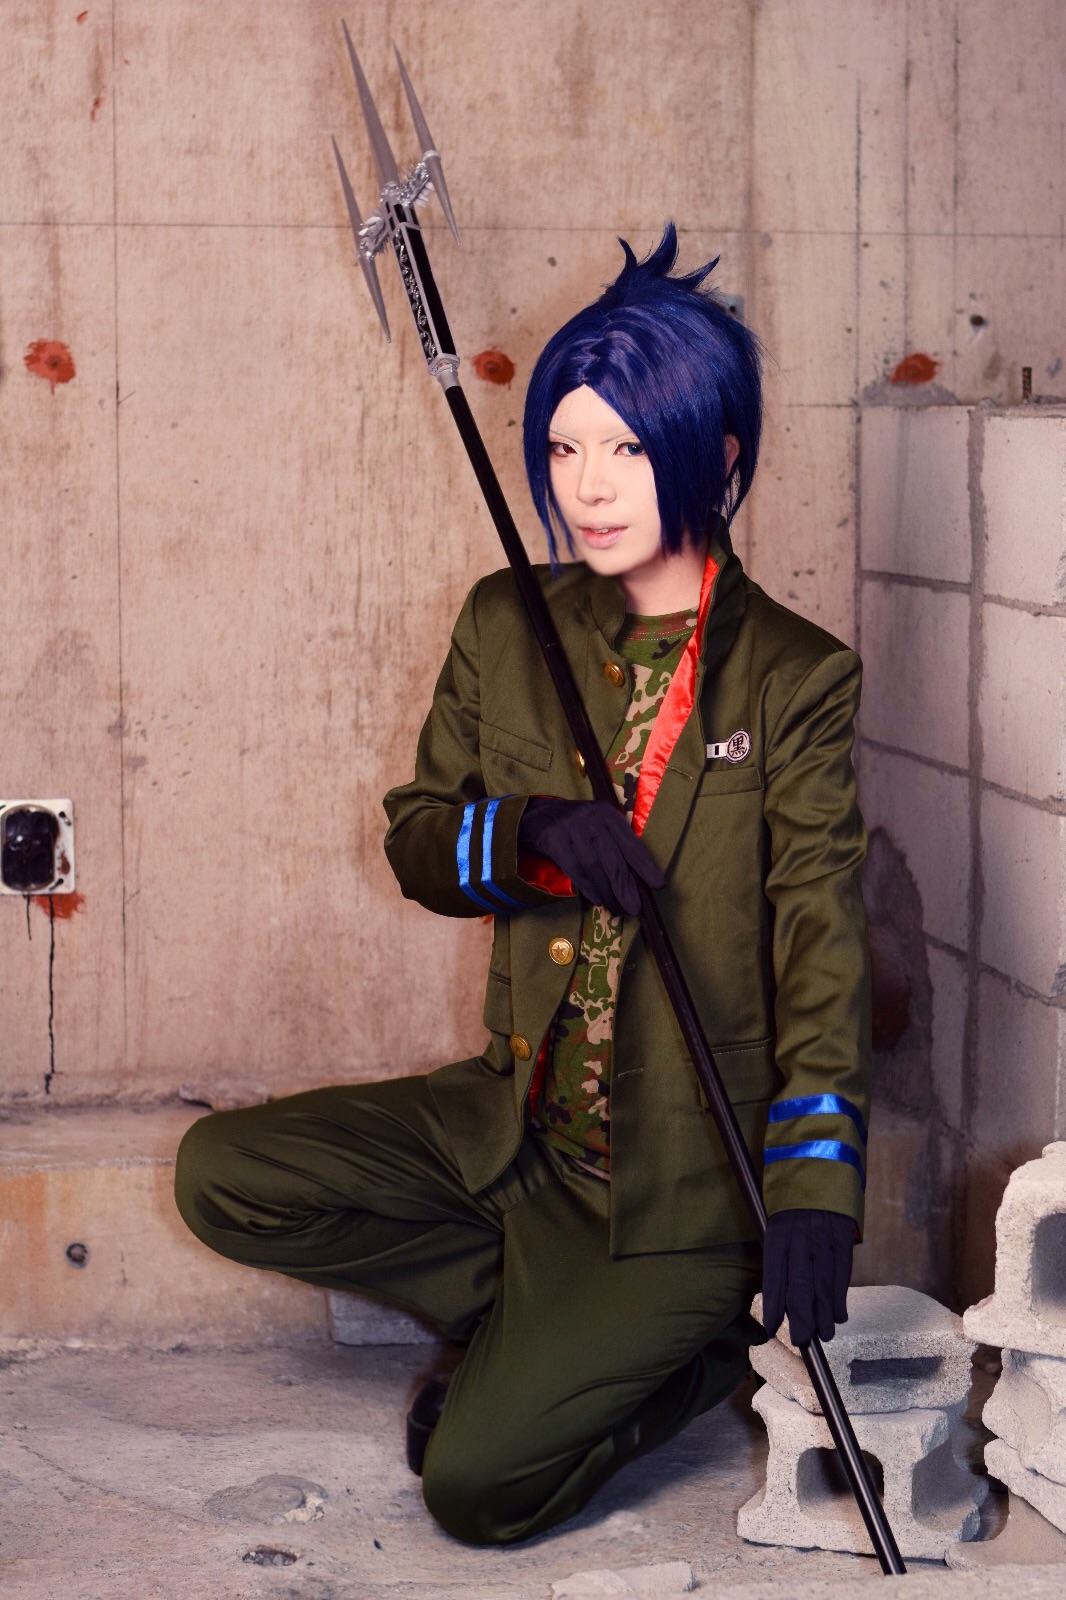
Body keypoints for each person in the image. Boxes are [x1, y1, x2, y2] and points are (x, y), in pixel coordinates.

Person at [174, 226, 870, 1546]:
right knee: (221, 1174)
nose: (588, 487)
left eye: (627, 448)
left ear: (716, 452)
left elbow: (821, 945)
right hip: (512, 1131)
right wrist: (530, 831)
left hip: (670, 1190)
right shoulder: (509, 622)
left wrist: (815, 1188)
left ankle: (686, 1358)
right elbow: (417, 841)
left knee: (478, 1492)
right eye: (562, 447)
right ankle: (518, 1313)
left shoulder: (793, 677)